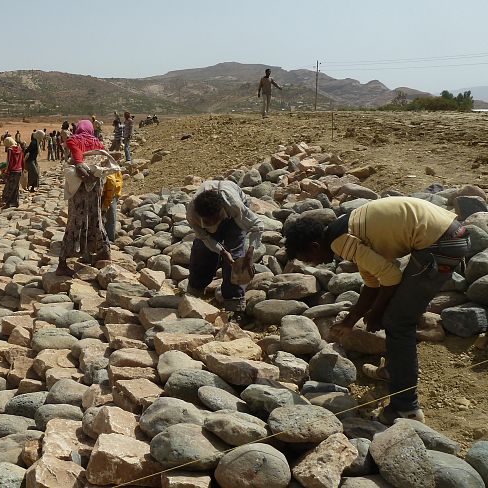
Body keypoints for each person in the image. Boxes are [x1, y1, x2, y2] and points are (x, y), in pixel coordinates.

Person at [284, 197, 469, 424]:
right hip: (445, 235)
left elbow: (391, 277)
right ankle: (394, 370)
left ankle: (405, 407)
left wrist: (376, 313)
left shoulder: (340, 241)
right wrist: (351, 320)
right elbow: (372, 283)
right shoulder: (345, 230)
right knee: (393, 311)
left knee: (399, 322)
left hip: (440, 244)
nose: (315, 264)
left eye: (310, 259)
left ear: (314, 246)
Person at [185, 180, 264, 313]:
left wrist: (250, 253)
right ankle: (194, 292)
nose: (215, 225)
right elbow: (205, 237)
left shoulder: (234, 205)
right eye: (210, 222)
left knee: (235, 256)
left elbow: (257, 225)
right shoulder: (192, 214)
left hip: (232, 216)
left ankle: (235, 304)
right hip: (213, 216)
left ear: (222, 211)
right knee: (201, 252)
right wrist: (221, 251)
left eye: (217, 220)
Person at [56, 120, 112, 276]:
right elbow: (104, 160)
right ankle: (103, 252)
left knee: (75, 221)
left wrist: (79, 163)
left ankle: (62, 263)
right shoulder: (97, 142)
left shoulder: (74, 139)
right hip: (94, 188)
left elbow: (75, 152)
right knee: (96, 218)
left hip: (79, 191)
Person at [1, 137, 24, 208]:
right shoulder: (20, 148)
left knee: (9, 187)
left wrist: (7, 171)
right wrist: (22, 169)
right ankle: (15, 202)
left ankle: (8, 203)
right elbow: (22, 160)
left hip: (13, 171)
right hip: (19, 170)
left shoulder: (10, 150)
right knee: (16, 187)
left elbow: (9, 161)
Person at [102, 169, 123, 241]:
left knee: (110, 215)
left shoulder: (108, 174)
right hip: (109, 190)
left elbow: (111, 184)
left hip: (112, 192)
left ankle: (110, 239)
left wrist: (106, 203)